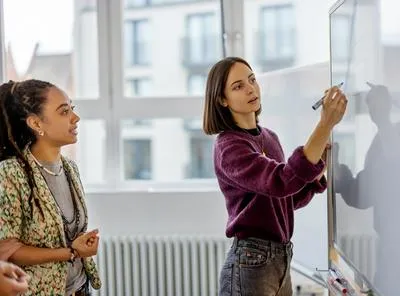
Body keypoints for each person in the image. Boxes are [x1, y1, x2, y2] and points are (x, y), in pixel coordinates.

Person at [203, 57, 347, 296]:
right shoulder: (229, 147)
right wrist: (325, 124)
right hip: (252, 263)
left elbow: (287, 198)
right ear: (222, 99)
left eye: (252, 80)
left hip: (279, 259)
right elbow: (282, 181)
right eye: (238, 86)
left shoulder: (269, 137)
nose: (250, 88)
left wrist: (319, 168)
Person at [0, 79, 101, 295]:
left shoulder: (70, 168)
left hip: (81, 288)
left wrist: (79, 244)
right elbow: (8, 249)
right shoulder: (11, 173)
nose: (76, 118)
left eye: (72, 109)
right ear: (36, 124)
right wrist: (71, 252)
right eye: (64, 112)